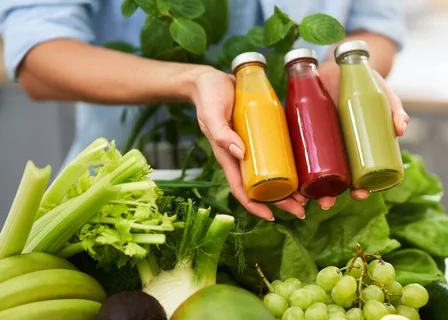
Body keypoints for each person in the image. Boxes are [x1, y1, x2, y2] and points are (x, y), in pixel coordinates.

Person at [0, 0, 410, 221]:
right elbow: (37, 54)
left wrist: (343, 70)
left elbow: (376, 26)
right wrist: (191, 81)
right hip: (134, 199)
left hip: (309, 179)